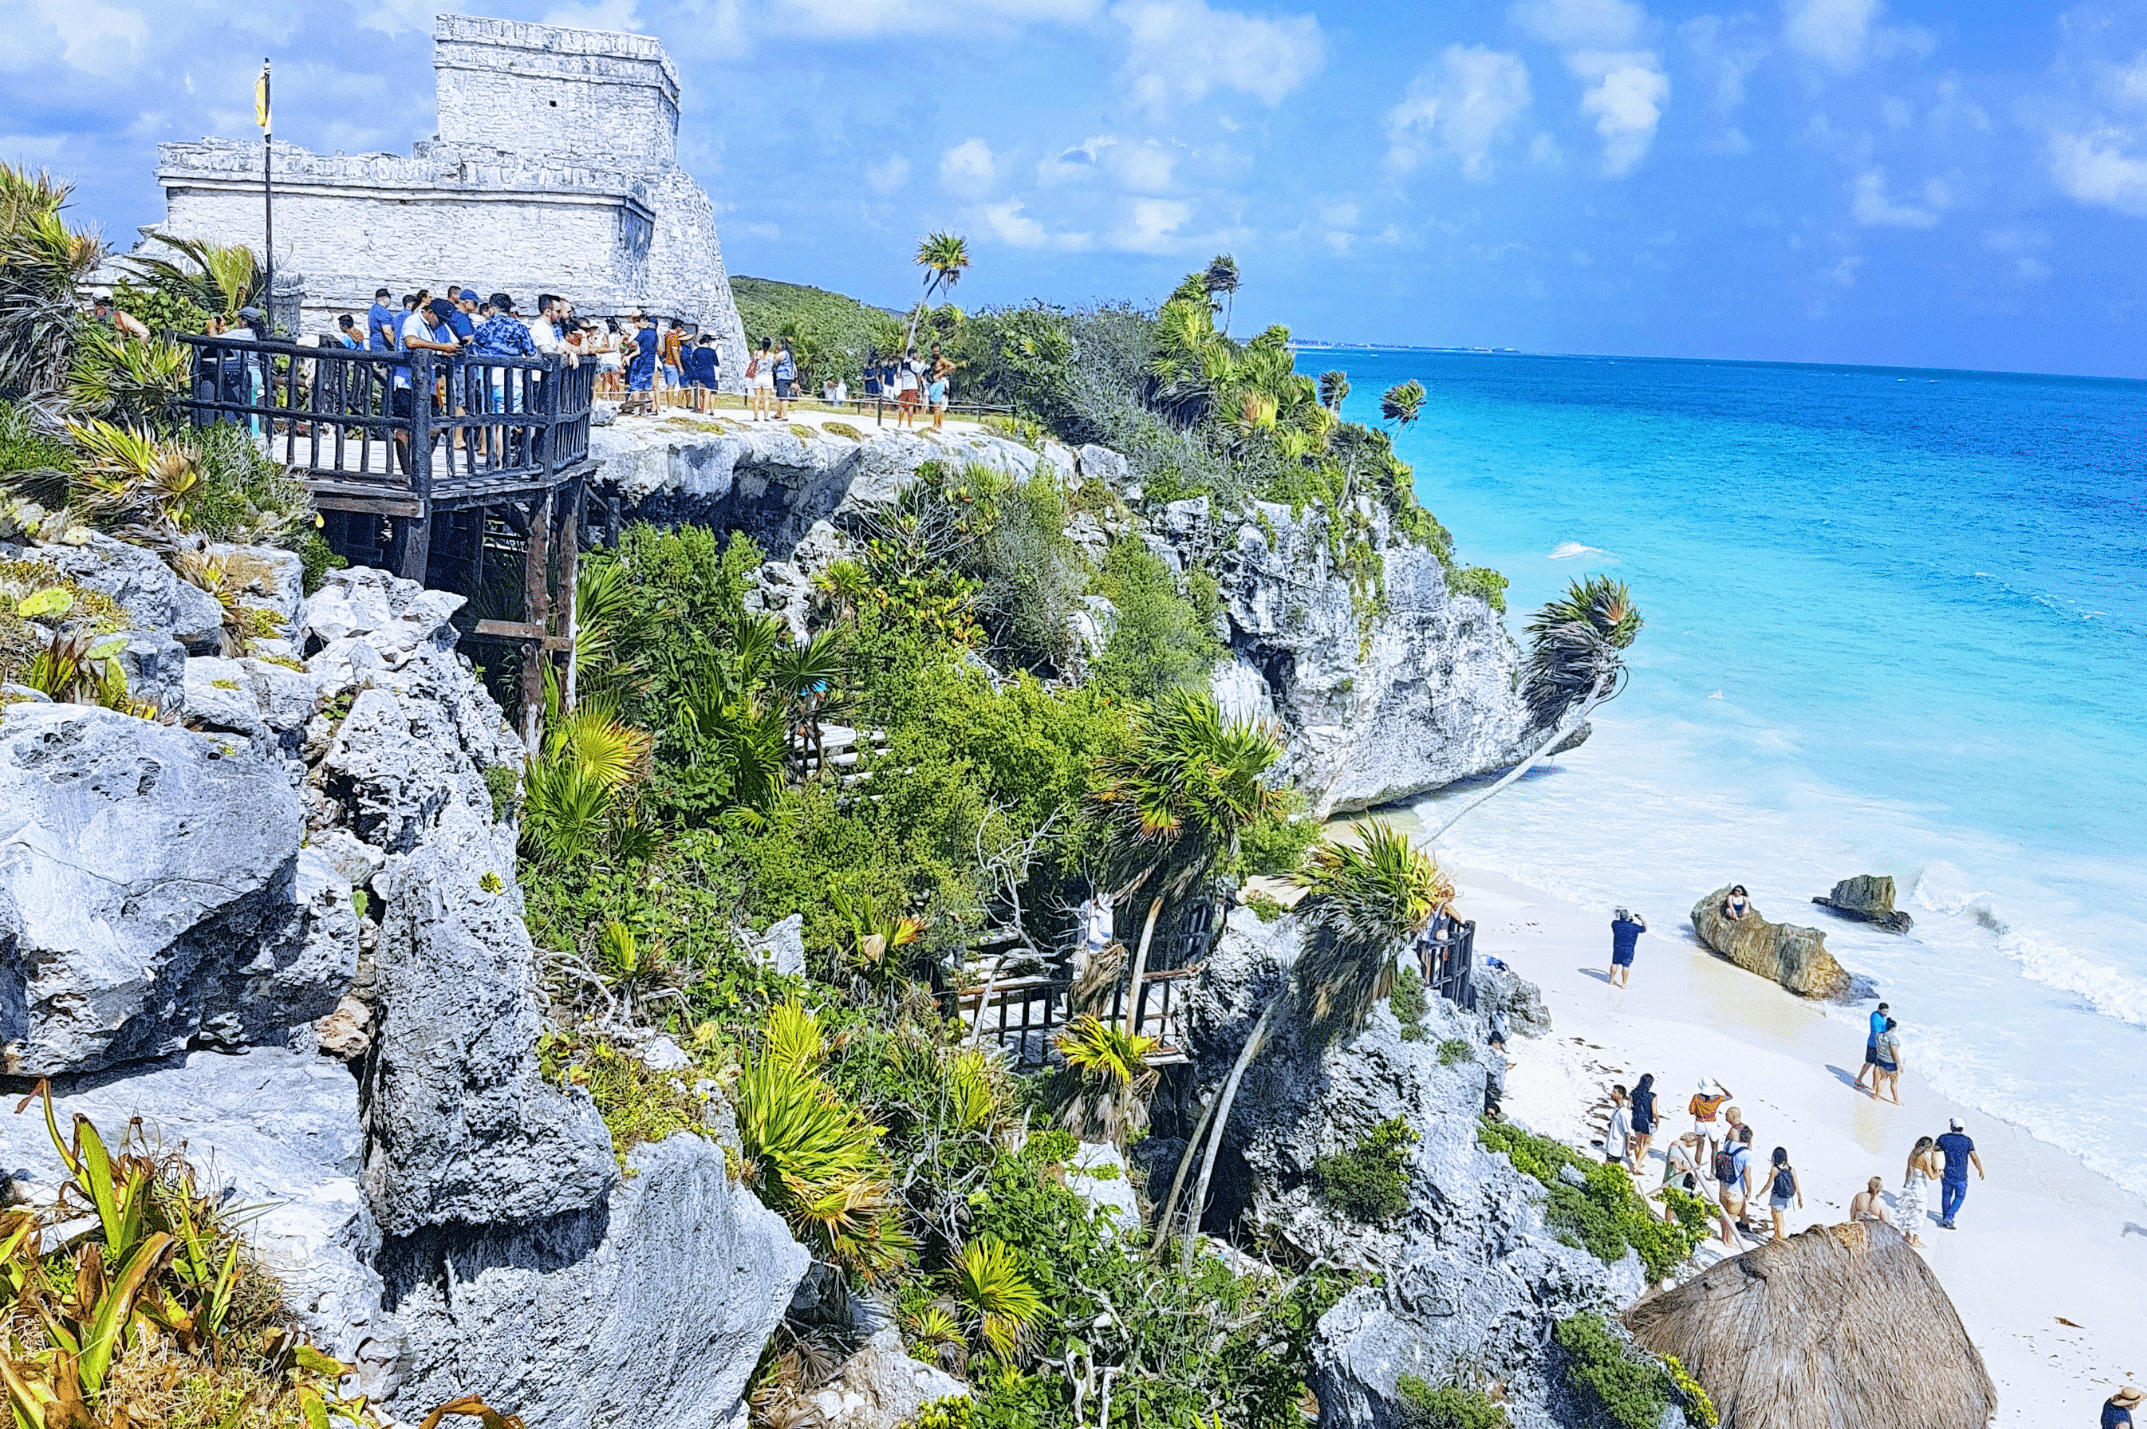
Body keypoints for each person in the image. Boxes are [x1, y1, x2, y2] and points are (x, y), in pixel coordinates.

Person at [1935, 1118, 1984, 1229]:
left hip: (1946, 1173)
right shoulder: (1967, 1141)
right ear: (1962, 1128)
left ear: (1951, 1127)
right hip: (1961, 1175)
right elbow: (1974, 1157)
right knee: (1960, 1196)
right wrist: (1980, 1169)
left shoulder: (1943, 1138)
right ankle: (1949, 1217)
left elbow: (1935, 1152)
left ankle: (1946, 1218)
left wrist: (1935, 1168)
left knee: (1946, 1195)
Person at [1714, 1126, 1755, 1245]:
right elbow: (1747, 1174)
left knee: (1723, 1211)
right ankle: (1728, 1240)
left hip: (1724, 1184)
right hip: (1736, 1188)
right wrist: (1749, 1190)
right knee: (1732, 1215)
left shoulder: (1728, 1144)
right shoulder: (1747, 1154)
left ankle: (1723, 1236)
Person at [1898, 1135, 1937, 1246]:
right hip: (1919, 1187)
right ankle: (1915, 1239)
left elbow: (1908, 1170)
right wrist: (1940, 1172)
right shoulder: (1924, 1158)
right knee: (1919, 1212)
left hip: (1910, 1183)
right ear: (1927, 1147)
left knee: (1908, 1210)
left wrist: (1905, 1183)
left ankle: (1907, 1235)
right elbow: (1932, 1176)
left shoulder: (1912, 1153)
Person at [621, 314, 659, 415]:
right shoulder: (655, 334)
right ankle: (653, 408)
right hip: (651, 363)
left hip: (641, 362)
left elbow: (634, 344)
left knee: (636, 386)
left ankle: (636, 409)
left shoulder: (644, 333)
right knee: (648, 387)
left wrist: (627, 344)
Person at [1764, 1147, 1802, 1240]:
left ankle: (1780, 1240)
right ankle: (1776, 1236)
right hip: (1787, 1198)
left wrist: (1760, 1193)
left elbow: (1769, 1184)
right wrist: (1800, 1199)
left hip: (1777, 1198)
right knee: (1777, 1218)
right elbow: (1796, 1186)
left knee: (1779, 1221)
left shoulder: (1775, 1169)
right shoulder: (1791, 1169)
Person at [1855, 1001, 1892, 1091]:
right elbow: (1877, 1031)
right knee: (1871, 1065)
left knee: (1875, 1065)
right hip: (1874, 1045)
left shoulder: (1881, 1017)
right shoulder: (1875, 1016)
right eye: (1884, 1011)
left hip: (1877, 1045)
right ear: (1879, 1010)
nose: (1885, 1013)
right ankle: (1863, 1082)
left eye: (1887, 1011)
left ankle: (1872, 1085)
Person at [1689, 1078, 1732, 1153]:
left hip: (1699, 1123)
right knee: (1714, 1149)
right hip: (1712, 1123)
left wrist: (1698, 1112)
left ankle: (1697, 1164)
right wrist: (1720, 1086)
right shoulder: (1717, 1097)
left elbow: (1691, 1111)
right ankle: (1713, 1165)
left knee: (1699, 1148)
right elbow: (1729, 1096)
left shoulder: (1696, 1097)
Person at [1627, 1073, 1659, 1171]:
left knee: (1638, 1142)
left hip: (1636, 1119)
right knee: (1647, 1143)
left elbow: (1628, 1106)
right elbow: (1654, 1112)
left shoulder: (1633, 1092)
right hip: (1647, 1121)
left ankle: (1638, 1163)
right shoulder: (1652, 1096)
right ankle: (1637, 1164)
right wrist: (1657, 1121)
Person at [1608, 907, 1646, 987]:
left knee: (1614, 964)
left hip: (1617, 949)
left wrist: (1617, 914)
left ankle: (1611, 980)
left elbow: (1616, 920)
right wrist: (1642, 919)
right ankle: (1624, 984)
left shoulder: (1615, 924)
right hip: (1628, 950)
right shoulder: (1634, 927)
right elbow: (1644, 929)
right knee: (1626, 966)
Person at [1870, 1017, 1904, 1104]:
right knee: (1894, 1082)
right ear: (1893, 1028)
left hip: (1881, 1060)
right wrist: (1899, 1064)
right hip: (1890, 1063)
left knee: (1883, 1079)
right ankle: (1896, 1100)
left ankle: (1877, 1096)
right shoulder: (1892, 1039)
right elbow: (1894, 1052)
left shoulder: (1879, 1036)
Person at [1604, 1085, 1633, 1169]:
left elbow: (1627, 1132)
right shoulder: (1616, 1108)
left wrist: (1627, 1149)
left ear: (1620, 1095)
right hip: (1611, 1145)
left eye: (1614, 1092)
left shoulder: (1623, 1113)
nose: (1611, 1094)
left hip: (1616, 1147)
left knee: (1608, 1169)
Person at [660, 318, 686, 408]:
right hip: (671, 363)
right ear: (678, 327)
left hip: (667, 362)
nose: (682, 329)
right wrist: (680, 367)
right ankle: (670, 405)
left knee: (670, 385)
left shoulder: (667, 335)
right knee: (671, 386)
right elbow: (675, 353)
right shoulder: (673, 337)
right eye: (681, 327)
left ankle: (670, 404)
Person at [748, 338, 776, 421]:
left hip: (758, 376)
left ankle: (756, 416)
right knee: (767, 399)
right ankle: (766, 416)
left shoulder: (757, 353)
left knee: (757, 398)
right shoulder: (772, 355)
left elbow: (753, 362)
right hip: (768, 377)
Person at [773, 339, 798, 418]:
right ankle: (778, 413)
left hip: (783, 377)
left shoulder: (784, 353)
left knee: (783, 396)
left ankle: (785, 415)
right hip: (786, 377)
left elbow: (775, 358)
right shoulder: (789, 354)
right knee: (779, 396)